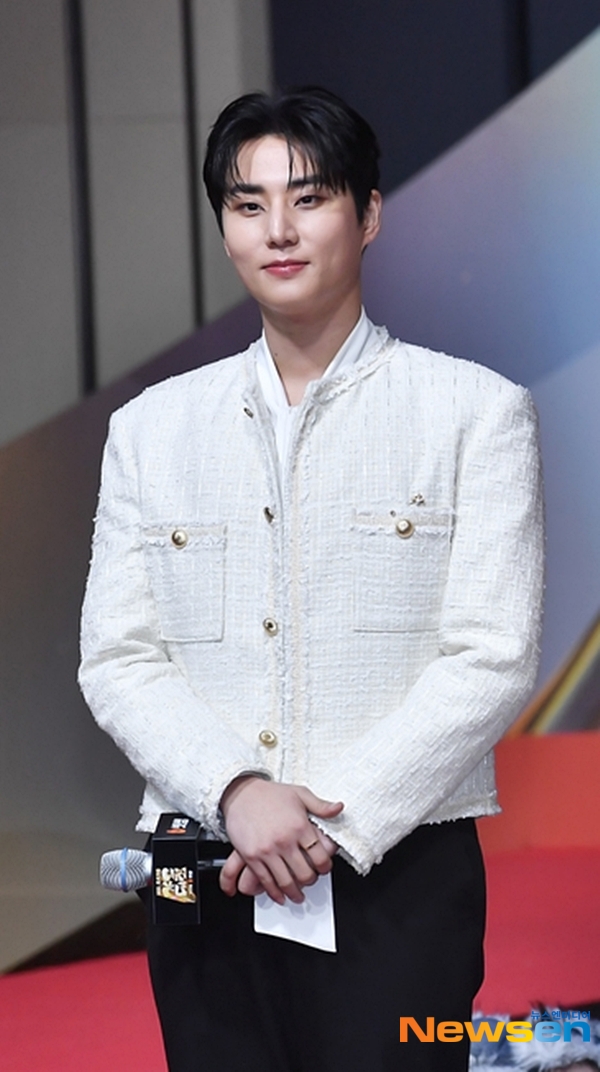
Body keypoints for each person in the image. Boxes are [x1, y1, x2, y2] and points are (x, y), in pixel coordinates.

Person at [79, 87, 544, 1072]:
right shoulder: (150, 429)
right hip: (192, 859)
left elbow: (493, 655)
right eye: (247, 205)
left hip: (401, 863)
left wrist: (339, 822)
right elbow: (117, 658)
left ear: (368, 214)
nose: (277, 230)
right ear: (224, 228)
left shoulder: (476, 412)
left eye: (309, 197)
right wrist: (237, 791)